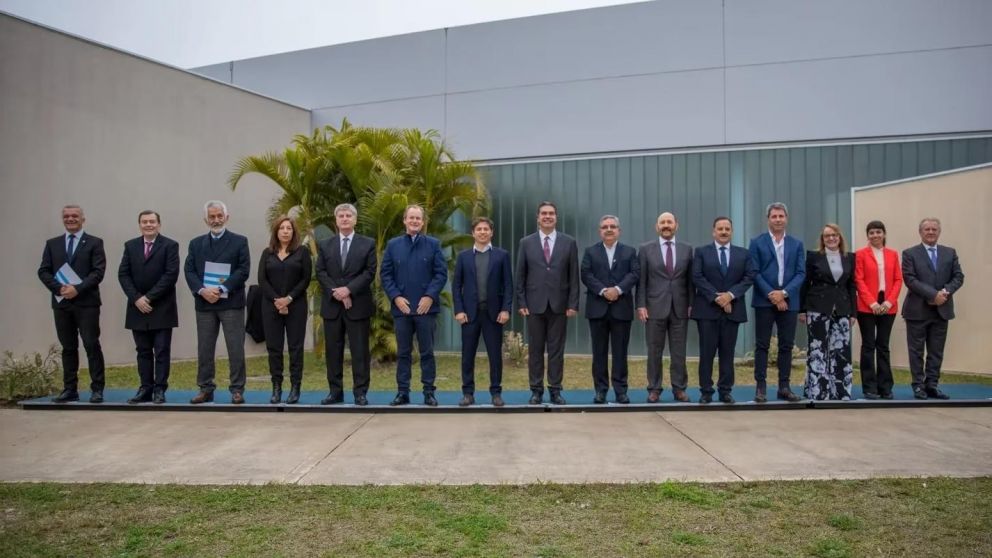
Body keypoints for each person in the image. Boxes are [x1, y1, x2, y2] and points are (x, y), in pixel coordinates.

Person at [37, 205, 107, 403]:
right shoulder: (52, 244)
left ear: (83, 219)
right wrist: (59, 288)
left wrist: (77, 288)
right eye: (66, 216)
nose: (70, 219)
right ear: (63, 219)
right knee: (68, 347)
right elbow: (43, 271)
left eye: (75, 216)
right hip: (62, 304)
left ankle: (97, 389)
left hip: (87, 303)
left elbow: (98, 272)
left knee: (91, 344)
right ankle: (70, 389)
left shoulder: (95, 243)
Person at [380, 204, 448, 406]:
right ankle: (403, 392)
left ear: (423, 222)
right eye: (411, 217)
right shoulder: (393, 245)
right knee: (403, 353)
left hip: (425, 308)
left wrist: (429, 296)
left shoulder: (433, 244)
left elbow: (440, 274)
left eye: (418, 218)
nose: (414, 221)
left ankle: (428, 392)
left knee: (427, 352)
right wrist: (396, 297)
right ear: (404, 220)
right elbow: (386, 274)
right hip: (402, 308)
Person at [184, 200, 251, 404]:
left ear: (226, 217)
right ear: (206, 220)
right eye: (212, 217)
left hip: (231, 303)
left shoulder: (240, 241)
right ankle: (205, 388)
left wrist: (221, 289)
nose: (216, 220)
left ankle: (237, 389)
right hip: (205, 303)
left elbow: (243, 270)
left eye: (219, 216)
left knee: (235, 348)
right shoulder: (196, 244)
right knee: (205, 348)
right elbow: (189, 270)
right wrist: (203, 290)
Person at [515, 201, 580, 405]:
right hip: (534, 305)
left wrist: (573, 304)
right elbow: (520, 275)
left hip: (560, 305)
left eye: (551, 213)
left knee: (556, 351)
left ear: (556, 217)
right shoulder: (526, 242)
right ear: (538, 217)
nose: (547, 216)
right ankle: (536, 390)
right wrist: (521, 302)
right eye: (544, 213)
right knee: (535, 350)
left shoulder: (569, 242)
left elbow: (574, 275)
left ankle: (555, 390)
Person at [315, 203, 377, 406]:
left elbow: (369, 272)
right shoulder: (325, 244)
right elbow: (321, 272)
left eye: (348, 215)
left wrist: (349, 290)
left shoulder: (367, 244)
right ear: (336, 220)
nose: (344, 219)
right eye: (341, 216)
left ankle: (360, 392)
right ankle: (335, 392)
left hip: (358, 306)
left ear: (355, 220)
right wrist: (338, 293)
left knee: (360, 351)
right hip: (332, 307)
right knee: (333, 352)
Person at [690, 217, 755, 404]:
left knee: (727, 353)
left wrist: (730, 296)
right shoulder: (701, 252)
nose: (724, 232)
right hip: (707, 311)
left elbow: (749, 277)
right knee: (707, 353)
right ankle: (706, 391)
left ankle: (725, 390)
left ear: (732, 232)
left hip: (732, 311)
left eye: (727, 229)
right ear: (714, 232)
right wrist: (717, 298)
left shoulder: (743, 254)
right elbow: (697, 276)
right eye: (720, 229)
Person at [117, 210, 180, 404]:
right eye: (144, 222)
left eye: (152, 221)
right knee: (143, 351)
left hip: (162, 307)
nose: (148, 225)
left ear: (159, 224)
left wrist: (149, 298)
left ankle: (160, 389)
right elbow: (123, 274)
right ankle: (145, 388)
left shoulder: (170, 245)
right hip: (137, 308)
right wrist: (137, 298)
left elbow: (170, 275)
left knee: (161, 350)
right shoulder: (130, 246)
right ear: (140, 225)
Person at [452, 217, 513, 407]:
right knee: (467, 356)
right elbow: (456, 286)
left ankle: (496, 393)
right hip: (469, 315)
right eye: (479, 229)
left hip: (493, 315)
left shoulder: (501, 255)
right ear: (473, 233)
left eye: (486, 229)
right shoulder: (463, 257)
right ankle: (468, 393)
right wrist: (459, 310)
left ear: (491, 232)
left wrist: (506, 309)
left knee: (495, 356)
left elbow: (508, 285)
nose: (482, 232)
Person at [901, 218, 964, 400]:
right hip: (917, 310)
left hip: (942, 309)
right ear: (920, 232)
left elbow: (958, 276)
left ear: (939, 232)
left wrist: (944, 292)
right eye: (927, 229)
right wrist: (932, 295)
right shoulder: (910, 253)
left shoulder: (950, 253)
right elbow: (910, 279)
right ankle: (918, 386)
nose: (930, 232)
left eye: (934, 229)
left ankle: (932, 385)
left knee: (936, 351)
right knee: (916, 351)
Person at [748, 202, 805, 403]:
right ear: (768, 219)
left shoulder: (796, 244)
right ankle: (761, 387)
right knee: (762, 345)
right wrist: (772, 294)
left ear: (786, 218)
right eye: (774, 216)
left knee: (786, 346)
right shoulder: (757, 242)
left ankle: (784, 387)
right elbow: (754, 272)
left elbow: (801, 273)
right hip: (764, 301)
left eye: (781, 216)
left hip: (790, 301)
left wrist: (784, 293)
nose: (778, 220)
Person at [580, 215, 639, 404]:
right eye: (605, 227)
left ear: (619, 231)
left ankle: (621, 390)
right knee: (599, 353)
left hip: (621, 309)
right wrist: (604, 291)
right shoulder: (590, 252)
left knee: (620, 352)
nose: (609, 229)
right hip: (598, 309)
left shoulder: (629, 252)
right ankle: (601, 390)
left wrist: (618, 290)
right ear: (600, 231)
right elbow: (586, 274)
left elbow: (634, 273)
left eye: (613, 226)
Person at [637, 211, 693, 403]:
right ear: (657, 226)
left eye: (669, 222)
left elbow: (690, 281)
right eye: (662, 222)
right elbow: (641, 280)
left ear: (676, 225)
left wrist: (691, 303)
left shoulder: (687, 249)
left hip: (680, 307)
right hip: (654, 307)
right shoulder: (645, 249)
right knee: (654, 351)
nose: (666, 225)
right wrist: (641, 305)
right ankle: (654, 389)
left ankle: (679, 388)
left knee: (679, 352)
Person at [258, 216, 312, 404]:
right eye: (282, 228)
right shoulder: (267, 253)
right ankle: (276, 387)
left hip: (296, 306)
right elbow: (262, 280)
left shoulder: (302, 252)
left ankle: (295, 387)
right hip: (270, 306)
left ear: (294, 232)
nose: (285, 231)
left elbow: (305, 279)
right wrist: (277, 300)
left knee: (295, 348)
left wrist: (288, 299)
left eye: (289, 228)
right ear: (276, 231)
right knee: (274, 348)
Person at [800, 224, 856, 400]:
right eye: (827, 236)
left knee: (841, 351)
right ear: (822, 239)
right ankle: (817, 391)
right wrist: (802, 310)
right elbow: (805, 283)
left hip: (842, 309)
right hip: (817, 308)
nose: (831, 238)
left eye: (834, 235)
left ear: (840, 237)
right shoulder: (814, 256)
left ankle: (840, 392)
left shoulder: (849, 257)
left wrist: (853, 313)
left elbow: (851, 286)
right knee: (818, 350)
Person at [853, 220, 902, 400]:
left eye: (878, 232)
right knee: (868, 346)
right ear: (868, 235)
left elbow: (898, 280)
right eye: (871, 232)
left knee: (883, 346)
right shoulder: (860, 254)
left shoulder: (892, 254)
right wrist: (872, 303)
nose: (875, 235)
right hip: (867, 307)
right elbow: (859, 280)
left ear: (884, 234)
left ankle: (885, 387)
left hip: (888, 306)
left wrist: (889, 302)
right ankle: (869, 387)